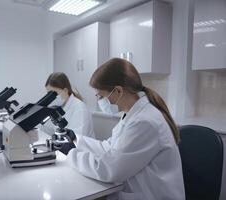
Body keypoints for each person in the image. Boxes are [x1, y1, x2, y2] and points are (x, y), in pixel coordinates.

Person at [59, 58, 185, 200]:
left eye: (101, 96)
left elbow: (110, 169)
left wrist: (71, 153)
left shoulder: (144, 122)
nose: (100, 101)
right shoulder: (133, 114)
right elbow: (110, 147)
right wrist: (76, 139)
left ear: (118, 91)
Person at [39, 72, 95, 139]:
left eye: (54, 94)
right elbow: (52, 131)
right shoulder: (59, 107)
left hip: (81, 148)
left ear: (65, 90)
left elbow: (77, 138)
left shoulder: (79, 108)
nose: (51, 98)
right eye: (49, 94)